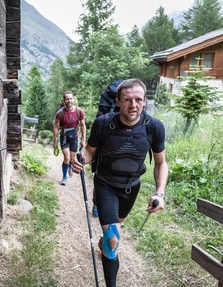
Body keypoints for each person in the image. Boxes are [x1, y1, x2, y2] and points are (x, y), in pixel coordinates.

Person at [71, 79, 168, 287]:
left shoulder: (154, 127)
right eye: (127, 100)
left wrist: (159, 193)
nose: (133, 105)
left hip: (132, 188)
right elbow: (89, 150)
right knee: (114, 239)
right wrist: (80, 159)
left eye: (138, 100)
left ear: (144, 101)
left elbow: (161, 163)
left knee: (114, 231)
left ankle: (105, 243)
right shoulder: (104, 123)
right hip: (106, 184)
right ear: (118, 101)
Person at [53, 91, 86, 186]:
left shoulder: (79, 111)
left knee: (72, 158)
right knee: (66, 157)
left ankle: (70, 166)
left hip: (75, 136)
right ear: (64, 101)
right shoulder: (60, 113)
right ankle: (64, 178)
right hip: (64, 136)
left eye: (71, 98)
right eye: (67, 99)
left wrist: (84, 139)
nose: (69, 101)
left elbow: (83, 125)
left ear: (73, 99)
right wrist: (54, 140)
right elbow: (55, 127)